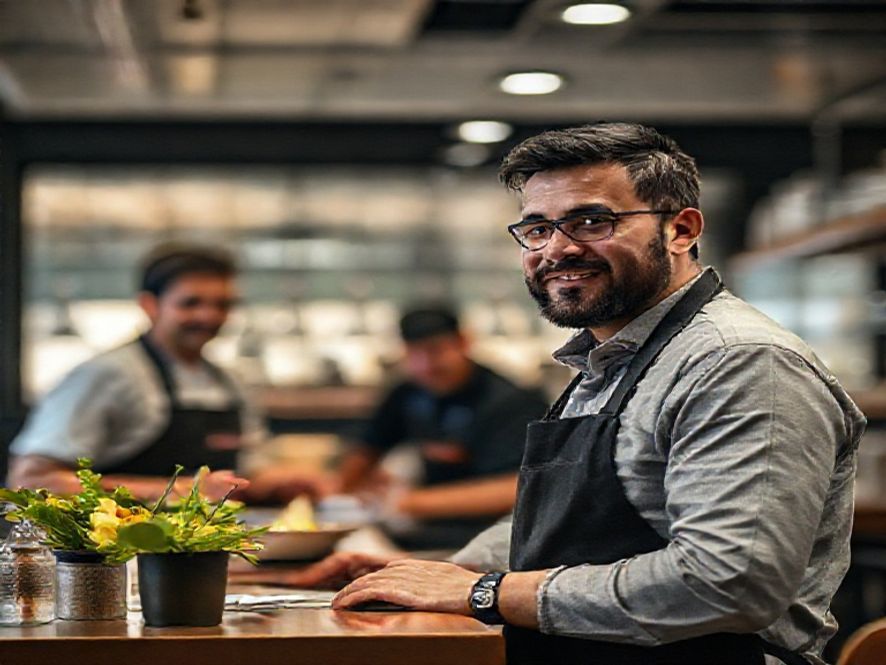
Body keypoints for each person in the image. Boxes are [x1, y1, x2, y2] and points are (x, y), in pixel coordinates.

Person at [273, 123, 867, 665]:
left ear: (681, 229)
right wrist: (443, 571)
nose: (556, 249)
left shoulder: (739, 363)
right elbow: (566, 526)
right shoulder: (609, 357)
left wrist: (483, 591)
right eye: (537, 228)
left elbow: (728, 585)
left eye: (592, 221)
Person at [8, 243, 316, 502]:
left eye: (222, 304)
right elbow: (31, 480)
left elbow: (240, 479)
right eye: (190, 303)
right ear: (149, 305)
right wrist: (178, 490)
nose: (208, 316)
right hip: (114, 561)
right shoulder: (107, 375)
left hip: (206, 555)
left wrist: (278, 484)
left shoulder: (230, 383)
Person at [334, 305, 548, 550]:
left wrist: (406, 502)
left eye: (435, 351)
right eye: (414, 354)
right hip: (423, 533)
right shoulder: (407, 393)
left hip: (495, 539)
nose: (426, 365)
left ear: (463, 342)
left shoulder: (512, 401)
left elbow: (519, 489)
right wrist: (341, 494)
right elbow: (366, 449)